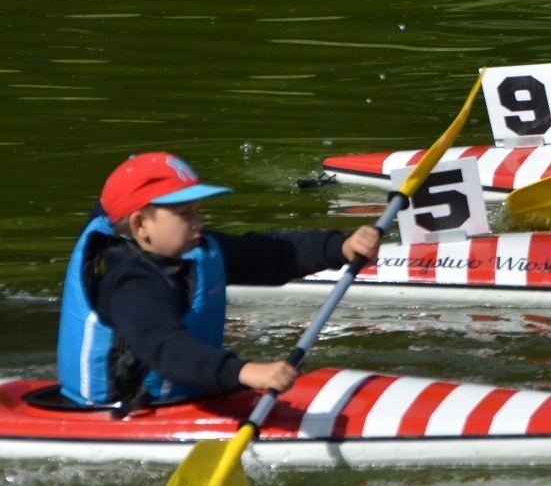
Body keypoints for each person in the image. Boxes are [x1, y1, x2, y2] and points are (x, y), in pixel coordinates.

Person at [56, 151, 382, 411]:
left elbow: (269, 254)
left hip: (187, 393)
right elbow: (169, 350)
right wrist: (245, 372)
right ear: (141, 224)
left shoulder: (192, 249)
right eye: (186, 214)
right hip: (127, 410)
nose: (198, 223)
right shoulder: (129, 282)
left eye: (197, 211)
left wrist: (341, 246)